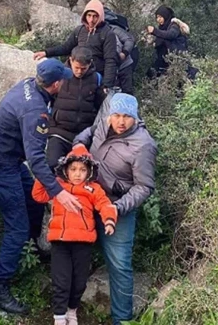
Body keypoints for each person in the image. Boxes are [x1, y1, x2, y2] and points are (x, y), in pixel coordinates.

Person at [0, 59, 84, 315]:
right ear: (55, 84)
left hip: (9, 158)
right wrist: (59, 192)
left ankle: (31, 249)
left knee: (34, 202)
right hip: (1, 165)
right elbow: (36, 158)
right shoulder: (34, 110)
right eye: (63, 79)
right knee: (16, 227)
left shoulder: (30, 84)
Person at [73, 93, 157, 325]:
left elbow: (144, 186)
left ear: (135, 117)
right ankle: (69, 309)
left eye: (127, 117)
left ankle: (122, 320)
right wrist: (80, 143)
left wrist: (117, 208)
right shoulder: (104, 122)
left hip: (117, 208)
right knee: (72, 251)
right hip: (88, 199)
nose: (121, 122)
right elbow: (90, 132)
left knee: (119, 266)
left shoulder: (144, 145)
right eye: (117, 115)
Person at [32, 146, 118, 325]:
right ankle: (59, 317)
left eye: (82, 170)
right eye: (73, 169)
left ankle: (72, 311)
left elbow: (105, 205)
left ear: (89, 171)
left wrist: (109, 221)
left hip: (83, 243)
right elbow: (38, 195)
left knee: (79, 282)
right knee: (60, 281)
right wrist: (44, 174)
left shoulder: (93, 189)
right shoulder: (57, 186)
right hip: (60, 242)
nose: (77, 174)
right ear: (65, 170)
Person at [34, 0, 119, 91]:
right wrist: (46, 53)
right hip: (74, 71)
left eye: (95, 16)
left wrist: (106, 85)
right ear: (85, 15)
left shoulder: (107, 34)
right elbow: (66, 48)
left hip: (93, 75)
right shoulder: (79, 30)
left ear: (100, 16)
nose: (91, 20)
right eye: (89, 15)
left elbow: (110, 60)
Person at [46, 46, 106, 169]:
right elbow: (47, 99)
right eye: (76, 68)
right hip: (59, 132)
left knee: (82, 171)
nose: (79, 71)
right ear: (70, 60)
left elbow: (102, 106)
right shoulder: (60, 75)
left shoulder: (96, 79)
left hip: (83, 135)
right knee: (53, 165)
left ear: (90, 64)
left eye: (83, 69)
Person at [146, 5, 190, 77]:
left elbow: (171, 35)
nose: (158, 19)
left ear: (165, 16)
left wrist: (155, 31)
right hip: (166, 60)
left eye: (160, 17)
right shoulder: (163, 27)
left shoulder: (174, 25)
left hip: (176, 59)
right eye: (157, 17)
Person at [104, 6, 136, 94]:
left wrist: (124, 53)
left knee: (127, 91)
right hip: (110, 67)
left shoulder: (113, 29)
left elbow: (129, 39)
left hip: (124, 64)